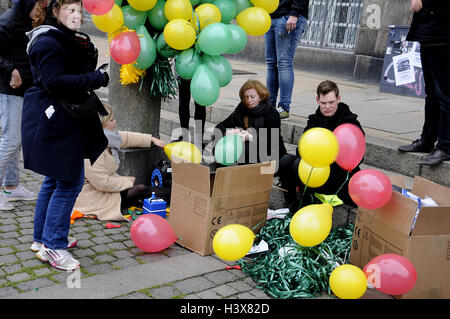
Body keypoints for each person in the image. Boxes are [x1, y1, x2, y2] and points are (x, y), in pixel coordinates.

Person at [21, 0, 109, 271]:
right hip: (56, 118)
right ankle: (53, 246)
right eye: (70, 10)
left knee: (55, 178)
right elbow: (54, 81)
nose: (77, 15)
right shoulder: (48, 41)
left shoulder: (60, 36)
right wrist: (96, 78)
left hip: (60, 117)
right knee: (70, 181)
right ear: (55, 11)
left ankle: (42, 240)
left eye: (80, 10)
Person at [73, 103, 169, 221]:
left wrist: (151, 139)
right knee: (140, 189)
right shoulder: (91, 150)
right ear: (101, 126)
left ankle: (175, 195)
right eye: (111, 120)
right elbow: (102, 183)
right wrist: (126, 181)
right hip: (92, 196)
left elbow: (126, 137)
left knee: (140, 191)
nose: (115, 122)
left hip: (101, 188)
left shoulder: (103, 137)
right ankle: (177, 195)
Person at [278, 80, 365, 211]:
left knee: (297, 165)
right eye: (323, 103)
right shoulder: (314, 120)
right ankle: (291, 202)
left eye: (331, 102)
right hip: (314, 168)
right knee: (285, 161)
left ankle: (307, 203)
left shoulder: (350, 122)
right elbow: (301, 150)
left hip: (336, 175)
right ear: (317, 100)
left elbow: (358, 157)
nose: (327, 106)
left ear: (338, 99)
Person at [0, 0, 43, 210]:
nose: (41, 6)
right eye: (38, 2)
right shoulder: (8, 21)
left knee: (16, 141)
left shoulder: (25, 19)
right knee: (10, 140)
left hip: (22, 88)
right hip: (8, 89)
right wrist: (12, 70)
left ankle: (12, 186)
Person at [397, 0, 450, 166]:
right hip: (429, 36)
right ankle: (427, 140)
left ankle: (445, 146)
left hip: (443, 37)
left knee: (444, 95)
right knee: (432, 94)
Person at [214, 79, 287, 168]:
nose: (249, 100)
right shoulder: (242, 108)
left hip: (269, 149)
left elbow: (271, 140)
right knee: (218, 138)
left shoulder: (271, 113)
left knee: (246, 149)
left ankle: (247, 176)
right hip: (245, 142)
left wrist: (251, 137)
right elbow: (220, 126)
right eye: (246, 97)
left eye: (252, 97)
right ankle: (221, 174)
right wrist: (227, 132)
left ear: (261, 96)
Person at [265, 0, 309, 120]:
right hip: (271, 17)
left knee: (284, 63)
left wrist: (294, 13)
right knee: (271, 63)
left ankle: (284, 107)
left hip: (289, 16)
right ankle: (269, 105)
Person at [177, 76, 206, 149]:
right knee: (185, 102)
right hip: (185, 69)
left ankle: (196, 140)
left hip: (199, 70)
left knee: (199, 104)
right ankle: (186, 137)